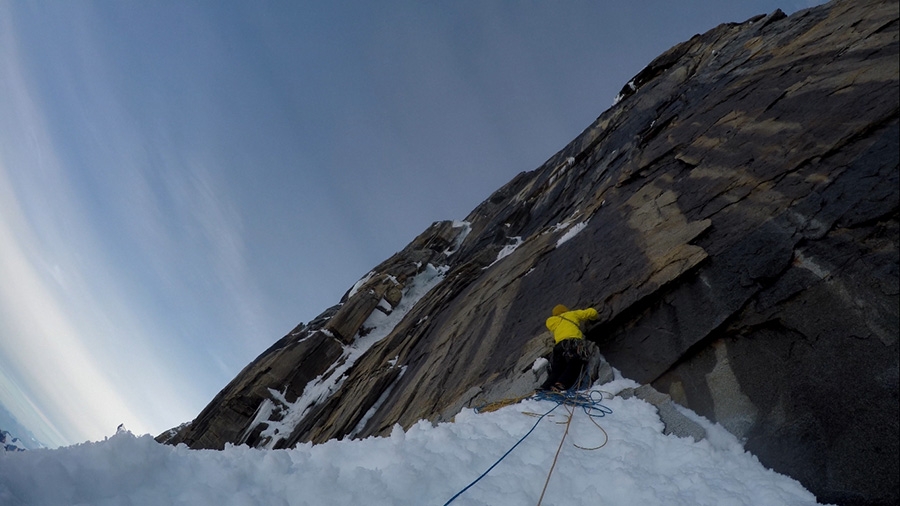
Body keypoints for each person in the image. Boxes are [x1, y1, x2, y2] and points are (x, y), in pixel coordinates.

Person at [540, 304, 599, 392]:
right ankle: (561, 384)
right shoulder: (572, 314)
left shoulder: (551, 321)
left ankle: (545, 387)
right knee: (576, 362)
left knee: (557, 368)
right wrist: (594, 318)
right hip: (573, 343)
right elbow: (592, 312)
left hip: (559, 346)